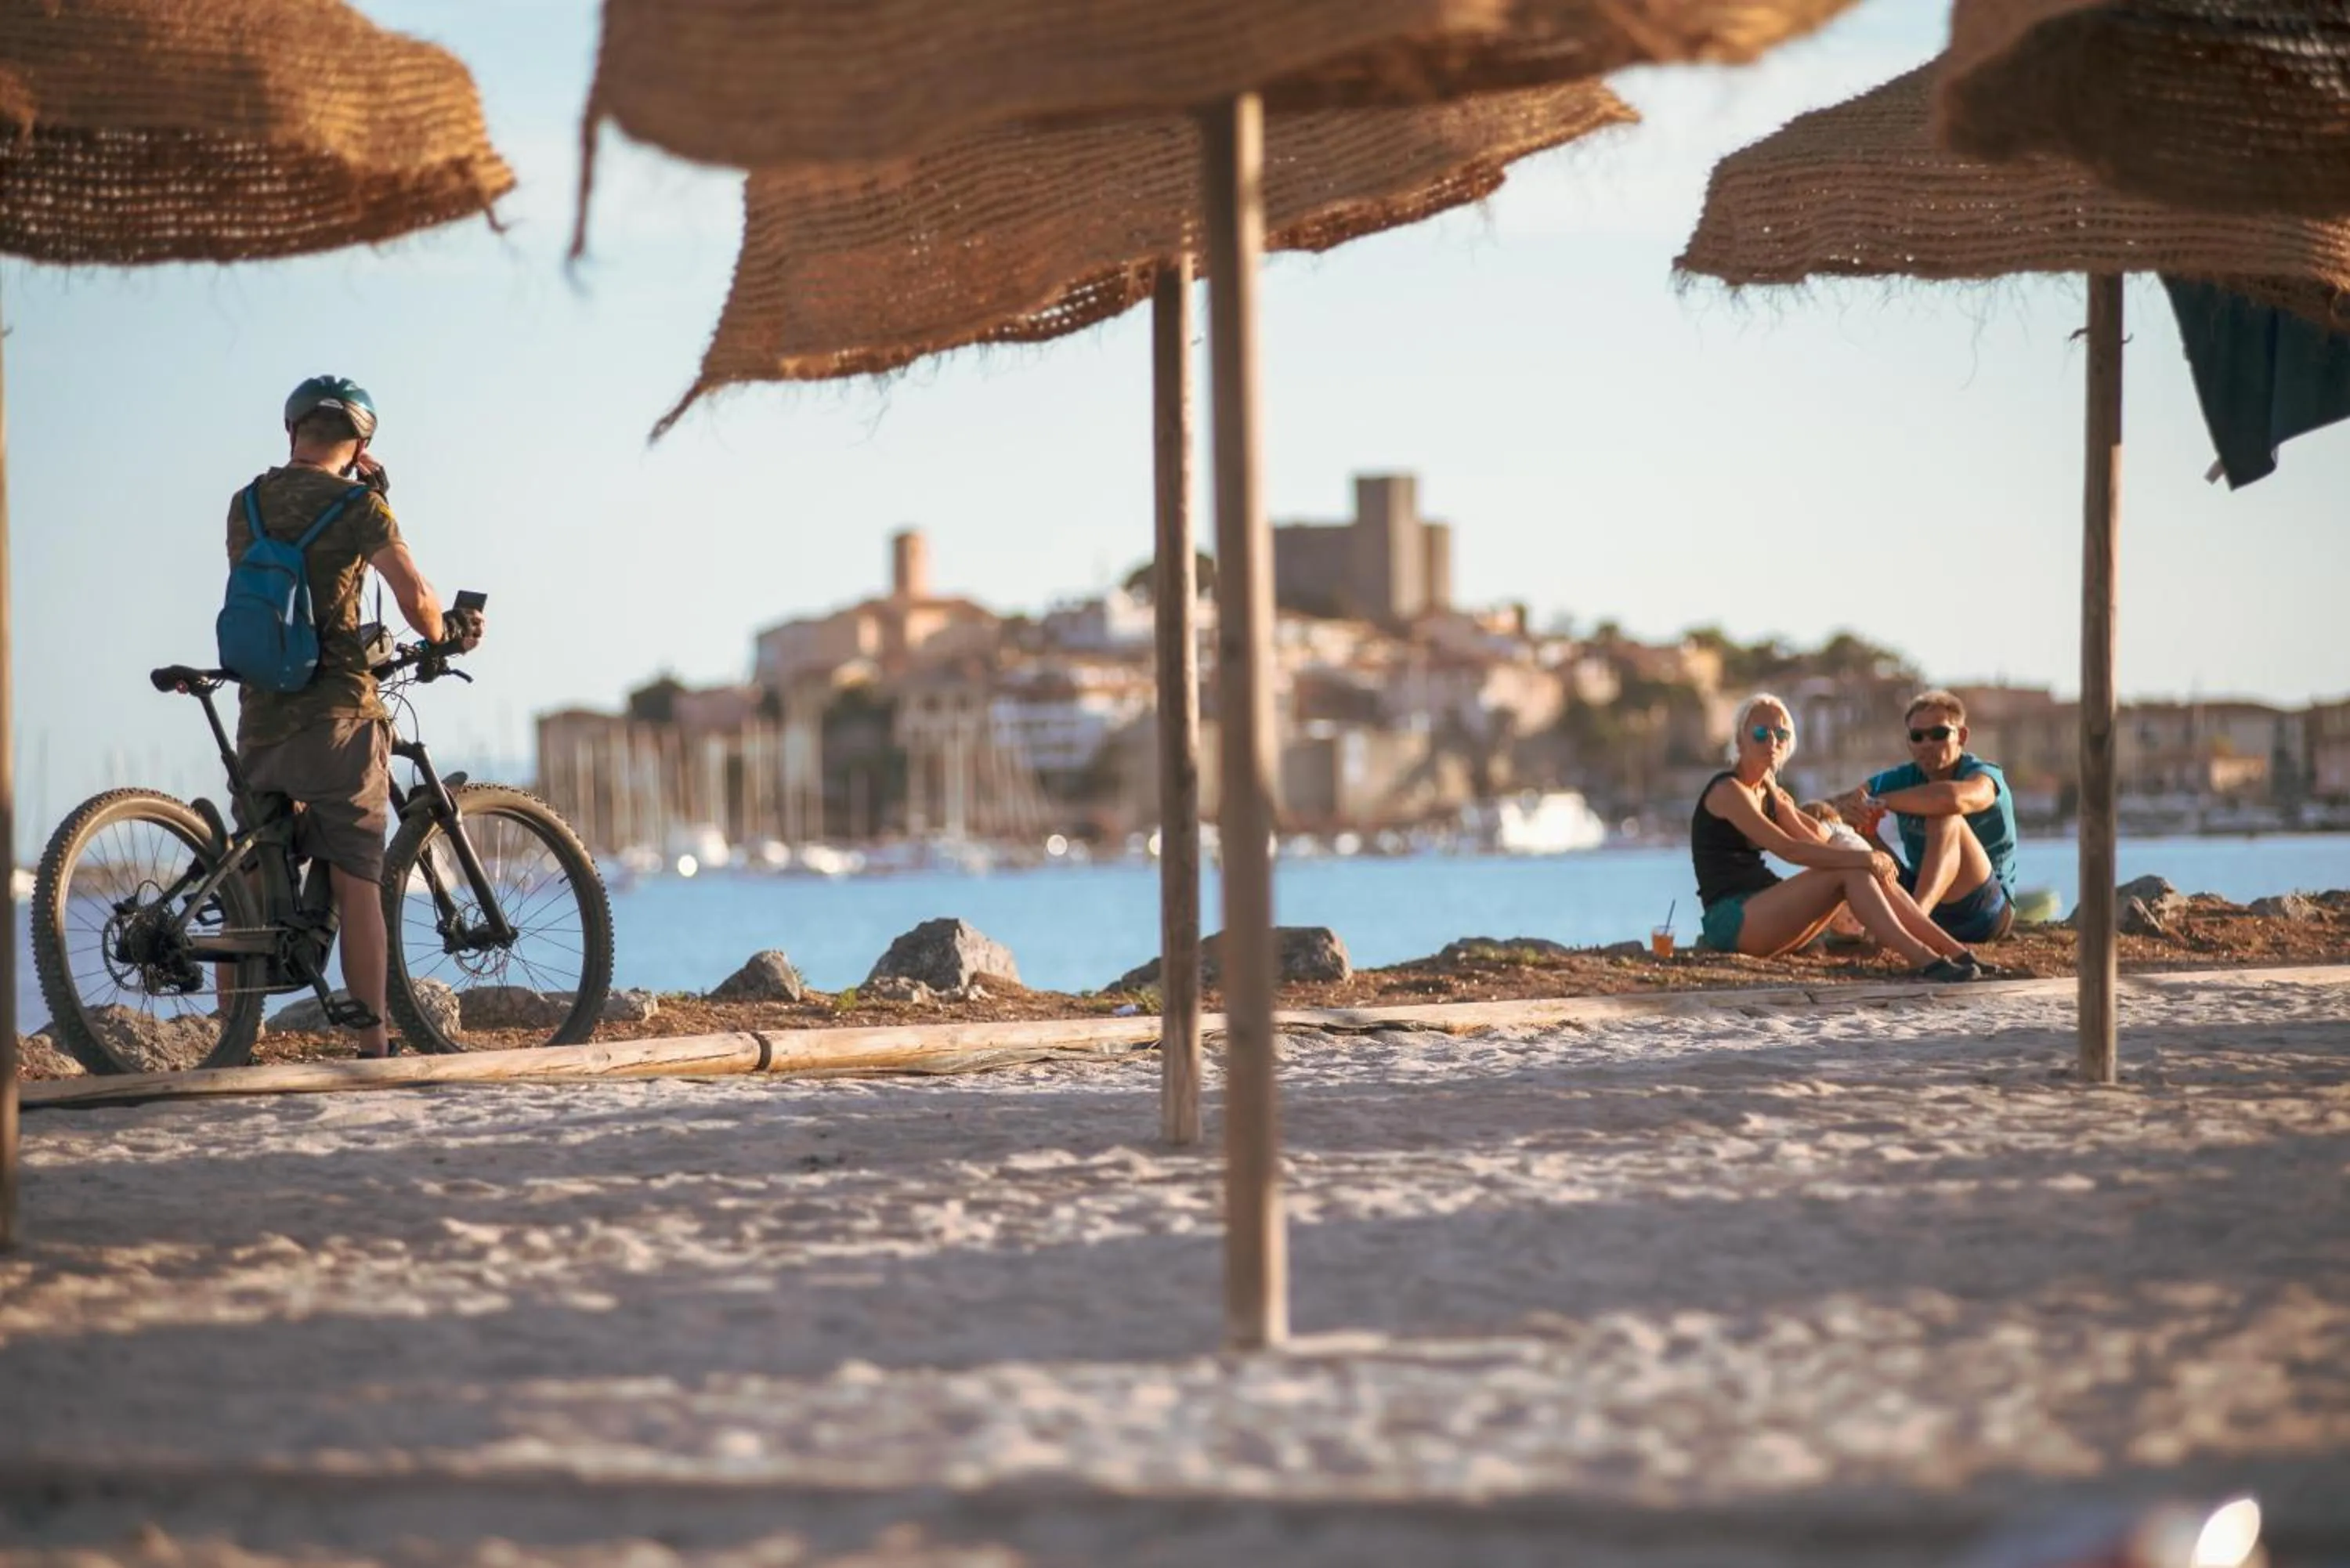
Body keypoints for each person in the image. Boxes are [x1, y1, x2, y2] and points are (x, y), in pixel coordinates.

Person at [225, 376, 484, 1057]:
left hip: (260, 714)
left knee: (252, 867)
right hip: (339, 712)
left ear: (291, 434)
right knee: (357, 872)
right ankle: (373, 1047)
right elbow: (415, 597)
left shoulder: (244, 505)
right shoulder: (360, 508)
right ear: (362, 443)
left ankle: (233, 1040)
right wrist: (448, 632)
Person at [1690, 694, 1984, 980]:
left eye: (1780, 733)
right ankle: (1923, 958)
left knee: (1861, 870)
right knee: (1854, 869)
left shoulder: (1767, 790)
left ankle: (1955, 952)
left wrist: (1787, 810)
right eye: (1760, 733)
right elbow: (1789, 850)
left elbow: (1815, 842)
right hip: (1730, 919)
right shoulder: (1729, 790)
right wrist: (1864, 857)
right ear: (1740, 740)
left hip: (1763, 913)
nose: (1772, 741)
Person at [1836, 689, 2021, 946]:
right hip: (1927, 896)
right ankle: (1834, 923)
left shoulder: (1984, 775)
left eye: (1939, 734)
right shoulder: (1902, 778)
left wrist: (1882, 802)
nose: (1927, 744)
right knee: (1852, 827)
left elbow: (1953, 800)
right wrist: (1853, 810)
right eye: (1917, 736)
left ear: (1962, 736)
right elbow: (1841, 803)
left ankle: (1910, 928)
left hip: (1984, 912)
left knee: (1945, 817)